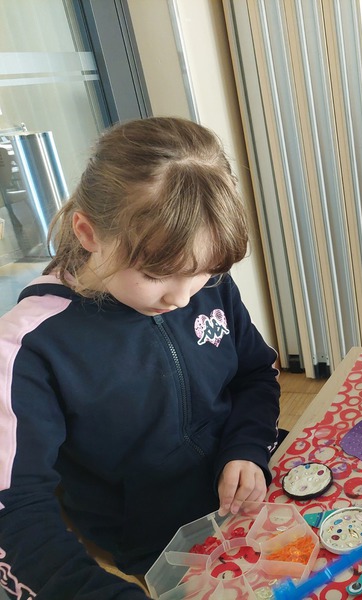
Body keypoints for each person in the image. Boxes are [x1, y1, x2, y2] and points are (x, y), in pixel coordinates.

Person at [0, 117, 282, 597]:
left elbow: (254, 374)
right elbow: (16, 518)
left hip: (249, 492)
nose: (182, 296)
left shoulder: (202, 284)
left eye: (204, 271)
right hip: (160, 542)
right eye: (157, 274)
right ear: (88, 233)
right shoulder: (29, 347)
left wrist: (247, 447)